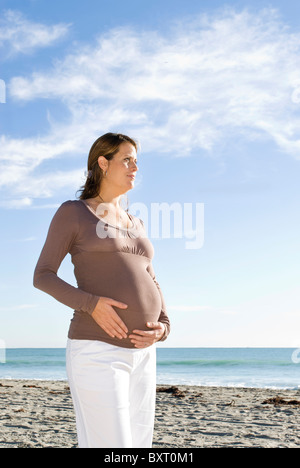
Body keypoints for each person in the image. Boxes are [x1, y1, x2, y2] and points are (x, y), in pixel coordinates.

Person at [33, 132, 170, 448]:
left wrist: (164, 326)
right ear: (103, 163)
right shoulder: (73, 212)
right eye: (127, 159)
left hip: (144, 353)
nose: (135, 166)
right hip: (97, 351)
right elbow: (42, 275)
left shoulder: (137, 223)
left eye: (137, 160)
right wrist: (91, 303)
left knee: (139, 447)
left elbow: (152, 279)